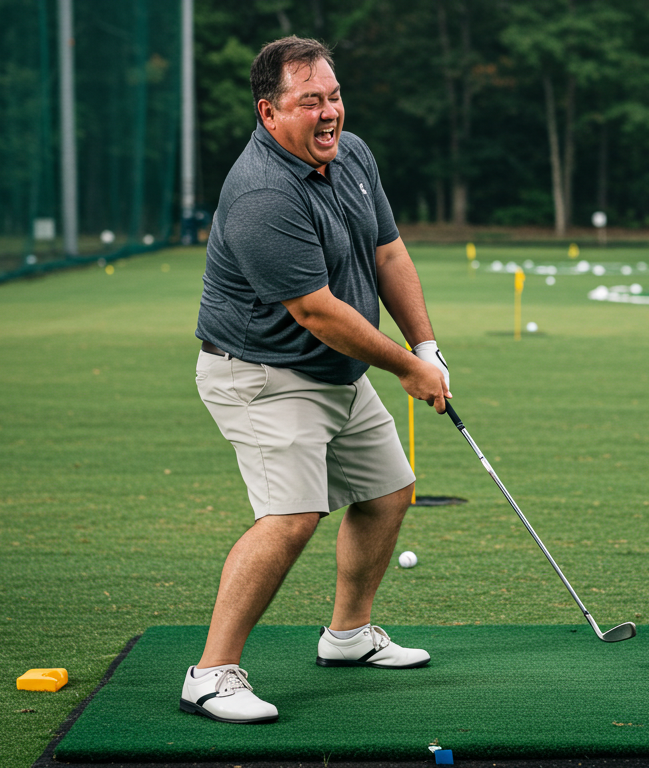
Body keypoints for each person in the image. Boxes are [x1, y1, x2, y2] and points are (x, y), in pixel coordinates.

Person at [180, 36, 452, 725]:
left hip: (335, 368)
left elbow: (388, 254)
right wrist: (407, 368)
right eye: (310, 102)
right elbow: (315, 311)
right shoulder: (261, 192)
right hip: (261, 373)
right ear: (269, 113)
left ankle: (349, 635)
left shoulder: (352, 155)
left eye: (333, 96)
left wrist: (426, 346)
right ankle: (210, 675)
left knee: (387, 493)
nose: (329, 112)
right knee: (292, 517)